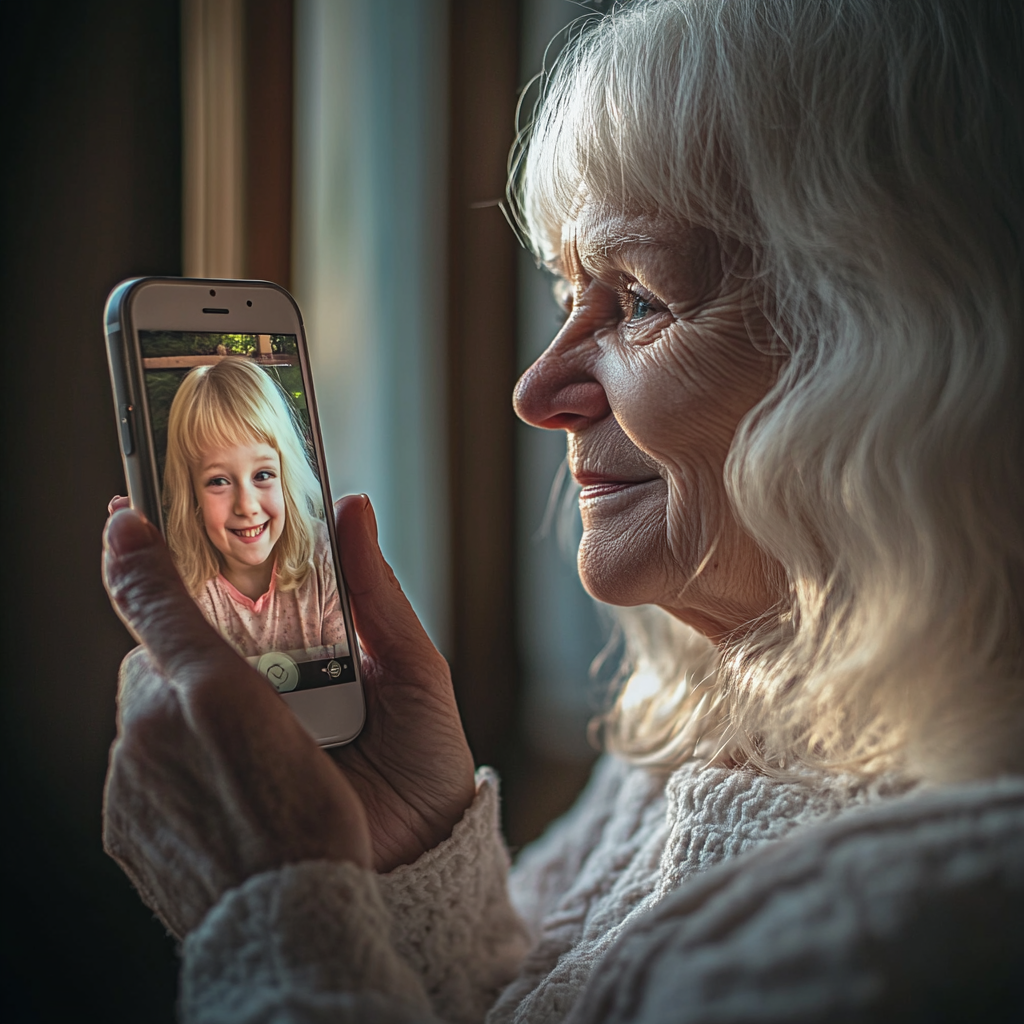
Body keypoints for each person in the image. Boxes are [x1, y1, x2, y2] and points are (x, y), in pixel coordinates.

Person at [100, 1, 1024, 1021]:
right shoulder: (694, 745)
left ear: (900, 348)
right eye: (564, 298)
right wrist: (406, 856)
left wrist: (269, 910)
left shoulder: (923, 921)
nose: (535, 392)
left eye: (637, 301)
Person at [158, 357, 346, 661]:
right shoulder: (184, 587)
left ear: (286, 475)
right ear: (191, 493)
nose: (246, 506)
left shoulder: (323, 557)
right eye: (218, 481)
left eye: (262, 475)